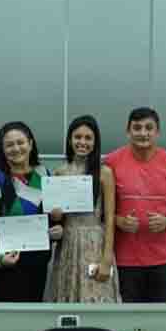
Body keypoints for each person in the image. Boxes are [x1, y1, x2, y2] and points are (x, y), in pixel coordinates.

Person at [104, 107, 166, 303]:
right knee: (127, 320)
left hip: (163, 259)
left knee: (161, 321)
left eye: (149, 128)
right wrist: (119, 221)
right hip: (124, 259)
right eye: (137, 128)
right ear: (128, 131)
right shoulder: (111, 162)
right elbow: (100, 212)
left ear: (158, 132)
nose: (143, 133)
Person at [0, 121, 62, 302]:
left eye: (20, 142)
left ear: (30, 144)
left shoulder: (44, 175)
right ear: (2, 150)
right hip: (8, 265)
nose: (16, 148)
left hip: (39, 263)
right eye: (9, 145)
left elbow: (51, 217)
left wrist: (57, 226)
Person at [48, 115, 121, 303]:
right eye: (77, 137)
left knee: (96, 296)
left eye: (88, 138)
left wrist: (106, 259)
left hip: (95, 243)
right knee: (68, 298)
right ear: (70, 139)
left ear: (95, 142)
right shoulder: (59, 172)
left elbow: (110, 218)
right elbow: (56, 218)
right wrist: (56, 216)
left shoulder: (104, 173)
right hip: (68, 244)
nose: (82, 142)